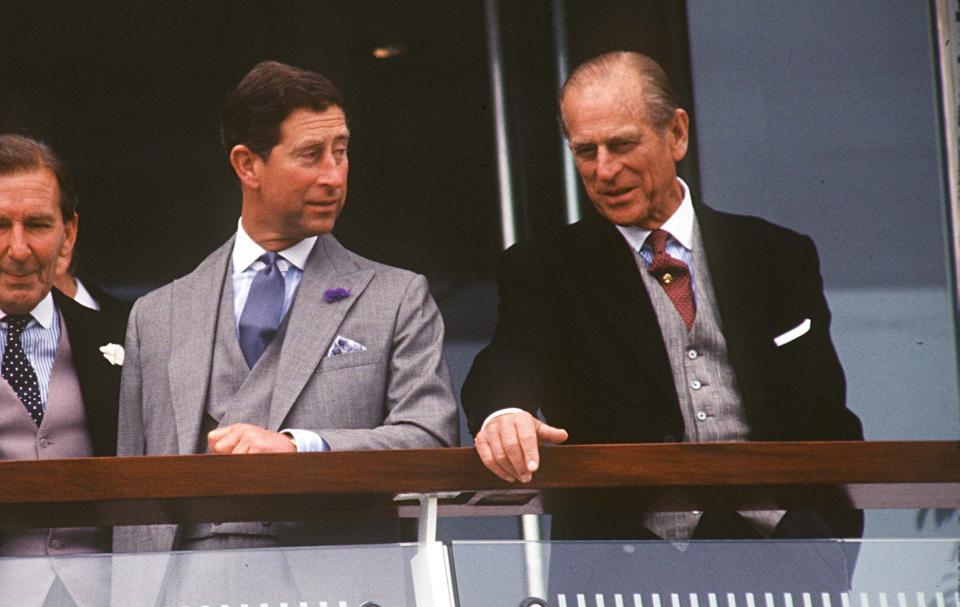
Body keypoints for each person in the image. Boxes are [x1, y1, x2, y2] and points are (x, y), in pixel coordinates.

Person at [461, 51, 863, 541]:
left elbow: (826, 414)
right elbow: (511, 357)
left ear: (676, 133)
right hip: (625, 566)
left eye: (622, 144)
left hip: (787, 550)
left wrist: (830, 543)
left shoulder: (776, 255)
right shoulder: (545, 267)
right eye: (586, 151)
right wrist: (506, 412)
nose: (605, 170)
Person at [115, 60, 459, 552]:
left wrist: (303, 448)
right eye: (311, 155)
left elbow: (431, 439)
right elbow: (134, 493)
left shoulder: (398, 297)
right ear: (247, 165)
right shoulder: (155, 315)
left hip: (336, 604)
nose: (333, 177)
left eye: (341, 152)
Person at [0, 133, 127, 607]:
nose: (18, 248)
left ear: (69, 235)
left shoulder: (129, 336)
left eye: (38, 225)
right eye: (0, 225)